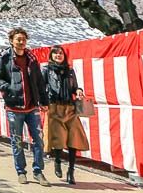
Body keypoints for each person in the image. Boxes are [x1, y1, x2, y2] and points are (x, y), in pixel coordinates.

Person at [0, 28, 50, 187]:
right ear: (11, 41)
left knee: (38, 140)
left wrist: (44, 102)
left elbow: (39, 82)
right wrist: (7, 88)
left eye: (23, 39)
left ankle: (38, 171)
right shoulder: (4, 58)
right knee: (17, 142)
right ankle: (21, 172)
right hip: (13, 107)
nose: (21, 42)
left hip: (32, 108)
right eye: (18, 39)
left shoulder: (32, 58)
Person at [43, 45, 89, 184]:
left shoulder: (70, 71)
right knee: (58, 139)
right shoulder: (46, 70)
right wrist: (43, 102)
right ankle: (57, 160)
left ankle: (71, 170)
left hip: (70, 107)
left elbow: (75, 87)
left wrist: (79, 90)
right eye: (55, 53)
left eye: (61, 53)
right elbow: (42, 87)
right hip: (54, 107)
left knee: (74, 139)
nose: (58, 55)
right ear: (51, 55)